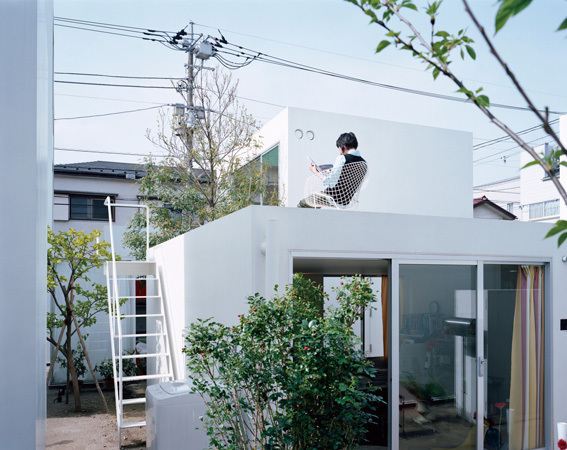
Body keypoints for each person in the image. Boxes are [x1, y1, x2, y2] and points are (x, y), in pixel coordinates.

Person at [298, 132, 367, 208]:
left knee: (302, 204)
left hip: (331, 198)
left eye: (339, 149)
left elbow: (331, 182)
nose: (340, 153)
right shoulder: (364, 163)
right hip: (347, 202)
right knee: (315, 204)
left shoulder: (342, 158)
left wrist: (315, 172)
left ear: (344, 146)